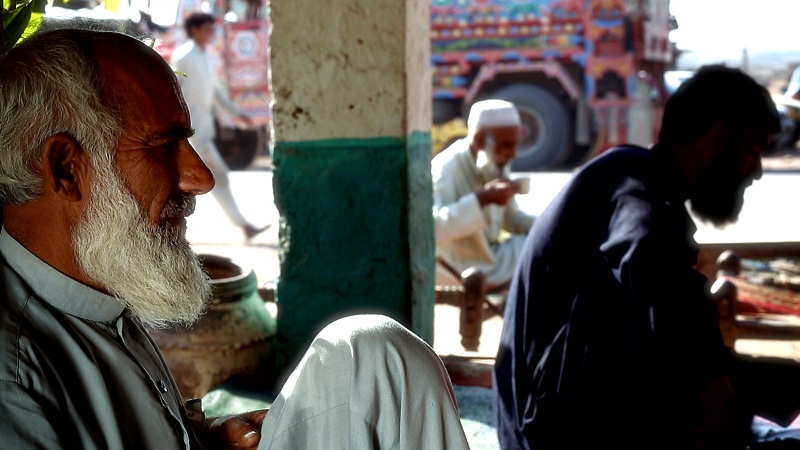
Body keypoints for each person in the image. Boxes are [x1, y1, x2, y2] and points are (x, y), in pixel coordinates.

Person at [0, 26, 471, 449]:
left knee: (375, 352)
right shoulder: (13, 374)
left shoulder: (93, 287)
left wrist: (199, 438)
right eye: (163, 146)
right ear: (66, 168)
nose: (200, 177)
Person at [493, 65, 800, 449]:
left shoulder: (642, 188)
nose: (755, 170)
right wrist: (711, 383)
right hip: (550, 434)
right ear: (719, 137)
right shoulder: (629, 184)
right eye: (753, 150)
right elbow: (646, 256)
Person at [170, 12, 269, 241]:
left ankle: (242, 226)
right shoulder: (184, 57)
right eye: (207, 28)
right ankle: (244, 226)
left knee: (200, 178)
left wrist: (238, 114)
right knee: (217, 176)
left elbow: (214, 93)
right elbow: (174, 91)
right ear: (194, 29)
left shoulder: (204, 57)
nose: (211, 33)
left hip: (203, 127)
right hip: (192, 128)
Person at [432, 99, 535, 289]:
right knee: (538, 256)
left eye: (515, 146)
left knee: (546, 244)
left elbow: (512, 220)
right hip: (458, 266)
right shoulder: (446, 168)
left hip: (490, 258)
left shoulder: (494, 162)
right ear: (480, 140)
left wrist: (546, 223)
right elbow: (433, 229)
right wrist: (481, 200)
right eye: (507, 146)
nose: (513, 155)